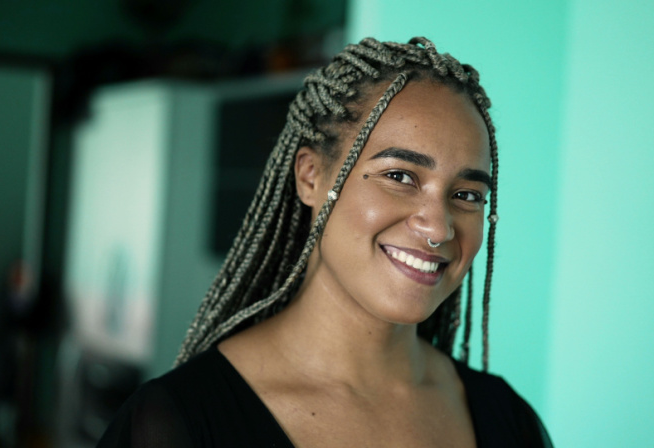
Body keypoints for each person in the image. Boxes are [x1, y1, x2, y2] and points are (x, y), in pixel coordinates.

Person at [97, 37, 553, 448]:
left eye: (466, 195)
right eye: (399, 176)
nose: (438, 228)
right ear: (311, 176)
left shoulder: (508, 421)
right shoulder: (178, 423)